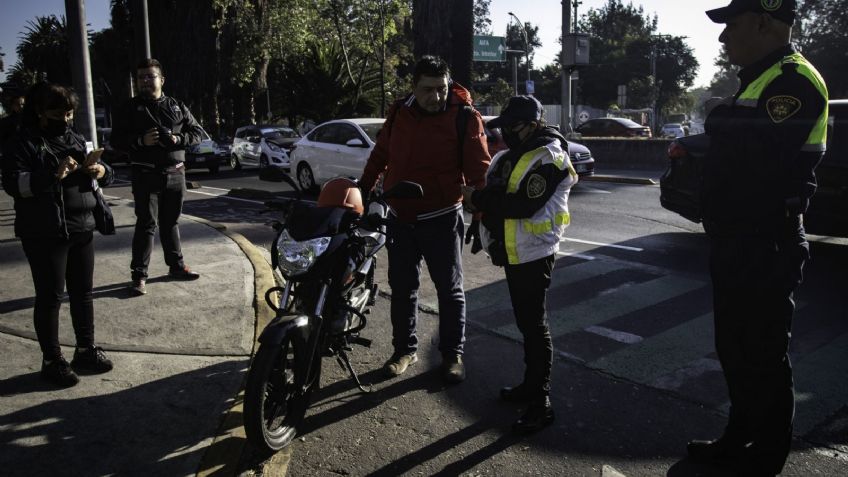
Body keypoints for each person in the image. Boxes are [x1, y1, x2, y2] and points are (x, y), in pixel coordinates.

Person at [687, 1, 829, 475]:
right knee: (734, 347)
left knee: (763, 354)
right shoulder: (758, 79)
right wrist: (722, 121)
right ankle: (738, 436)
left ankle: (766, 458)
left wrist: (720, 119)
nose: (724, 38)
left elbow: (752, 158)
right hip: (738, 239)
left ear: (764, 22)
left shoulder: (795, 80)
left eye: (732, 24)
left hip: (766, 241)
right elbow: (728, 138)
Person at [358, 55, 490, 383]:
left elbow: (479, 173)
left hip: (443, 218)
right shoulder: (399, 112)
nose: (437, 97)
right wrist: (361, 192)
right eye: (428, 90)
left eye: (442, 89)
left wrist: (481, 216)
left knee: (450, 290)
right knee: (403, 289)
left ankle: (452, 355)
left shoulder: (464, 118)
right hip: (400, 218)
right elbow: (381, 154)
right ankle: (404, 350)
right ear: (413, 87)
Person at [461, 96, 577, 433]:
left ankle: (541, 402)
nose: (507, 134)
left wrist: (477, 199)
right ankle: (530, 385)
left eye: (514, 127)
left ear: (534, 124)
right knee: (527, 324)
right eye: (505, 128)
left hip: (534, 254)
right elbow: (500, 190)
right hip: (516, 252)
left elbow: (522, 205)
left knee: (535, 326)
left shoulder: (549, 158)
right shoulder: (518, 154)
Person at [1, 83, 115, 387]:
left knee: (83, 293)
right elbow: (15, 185)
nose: (65, 119)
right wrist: (53, 174)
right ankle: (52, 360)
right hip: (44, 232)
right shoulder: (21, 143)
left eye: (69, 113)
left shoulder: (76, 138)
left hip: (82, 226)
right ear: (39, 112)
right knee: (50, 297)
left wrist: (101, 171)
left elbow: (105, 171)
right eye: (58, 113)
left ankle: (85, 350)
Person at [111, 58, 204, 296]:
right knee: (146, 225)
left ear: (161, 80)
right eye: (140, 77)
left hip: (176, 175)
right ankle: (139, 275)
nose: (144, 81)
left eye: (150, 76)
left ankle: (176, 266)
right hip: (145, 175)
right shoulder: (128, 109)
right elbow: (115, 141)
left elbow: (197, 133)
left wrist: (177, 139)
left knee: (171, 223)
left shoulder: (176, 105)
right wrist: (141, 141)